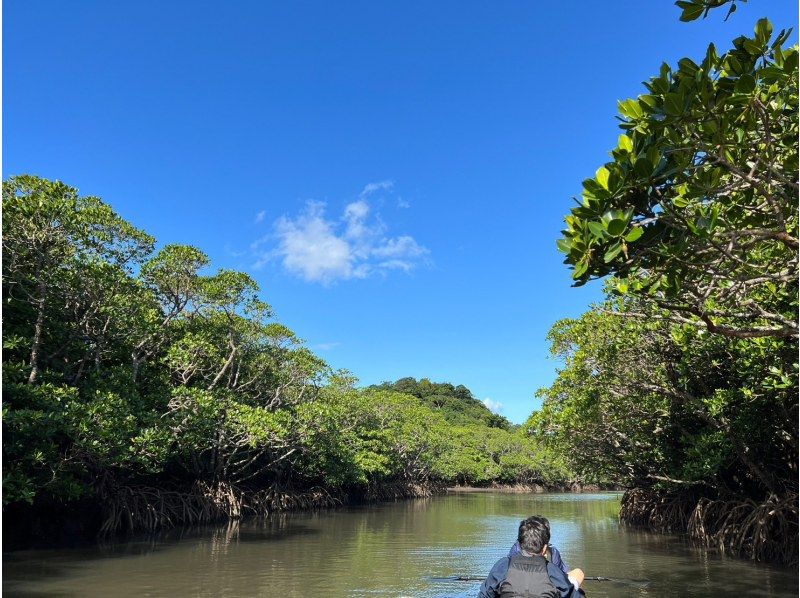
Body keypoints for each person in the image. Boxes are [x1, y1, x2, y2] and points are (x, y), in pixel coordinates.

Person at [478, 516, 585, 597]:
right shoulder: (553, 572)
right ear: (544, 548)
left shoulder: (503, 565)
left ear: (519, 544)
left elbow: (484, 595)